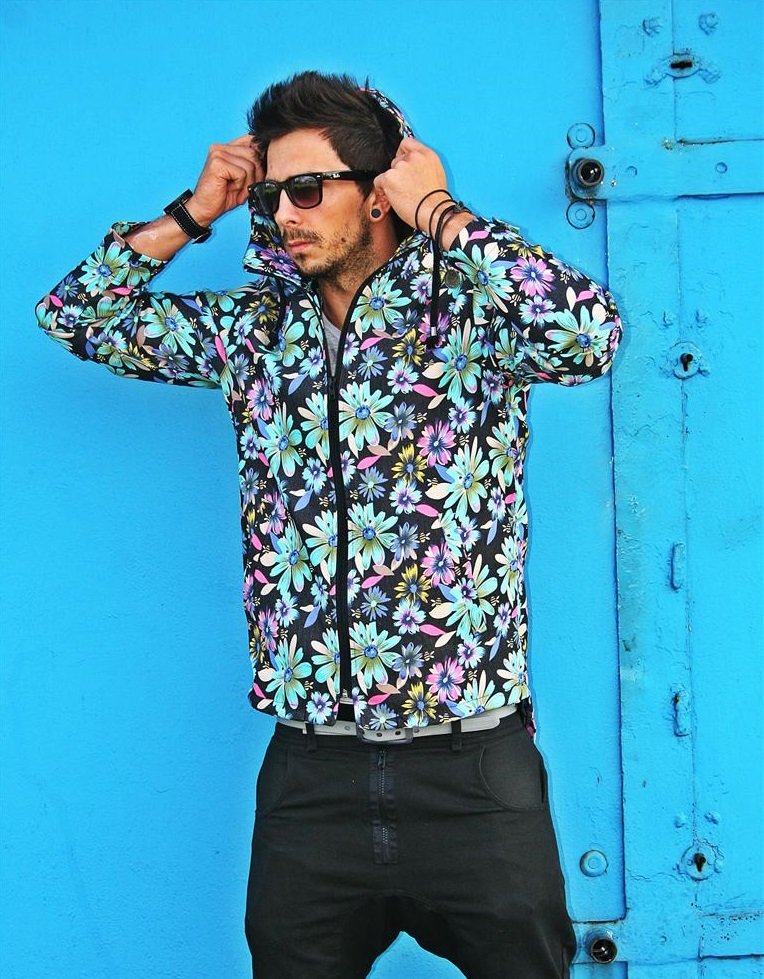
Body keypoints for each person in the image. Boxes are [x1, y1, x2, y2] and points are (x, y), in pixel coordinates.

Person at [36, 70, 622, 979]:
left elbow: (589, 338)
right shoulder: (255, 333)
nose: (282, 214)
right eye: (270, 195)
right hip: (312, 776)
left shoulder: (470, 318)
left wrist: (442, 212)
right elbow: (77, 317)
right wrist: (195, 212)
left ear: (378, 193)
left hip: (472, 769)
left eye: (307, 189)